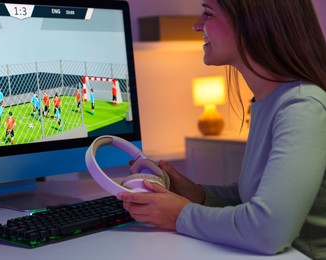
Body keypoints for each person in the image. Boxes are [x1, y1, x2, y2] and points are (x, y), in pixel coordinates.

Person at [118, 1, 326, 259]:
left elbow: (267, 230)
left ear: (253, 23)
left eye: (208, 13)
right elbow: (253, 198)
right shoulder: (269, 101)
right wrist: (198, 194)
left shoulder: (301, 106)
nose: (196, 25)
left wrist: (180, 214)